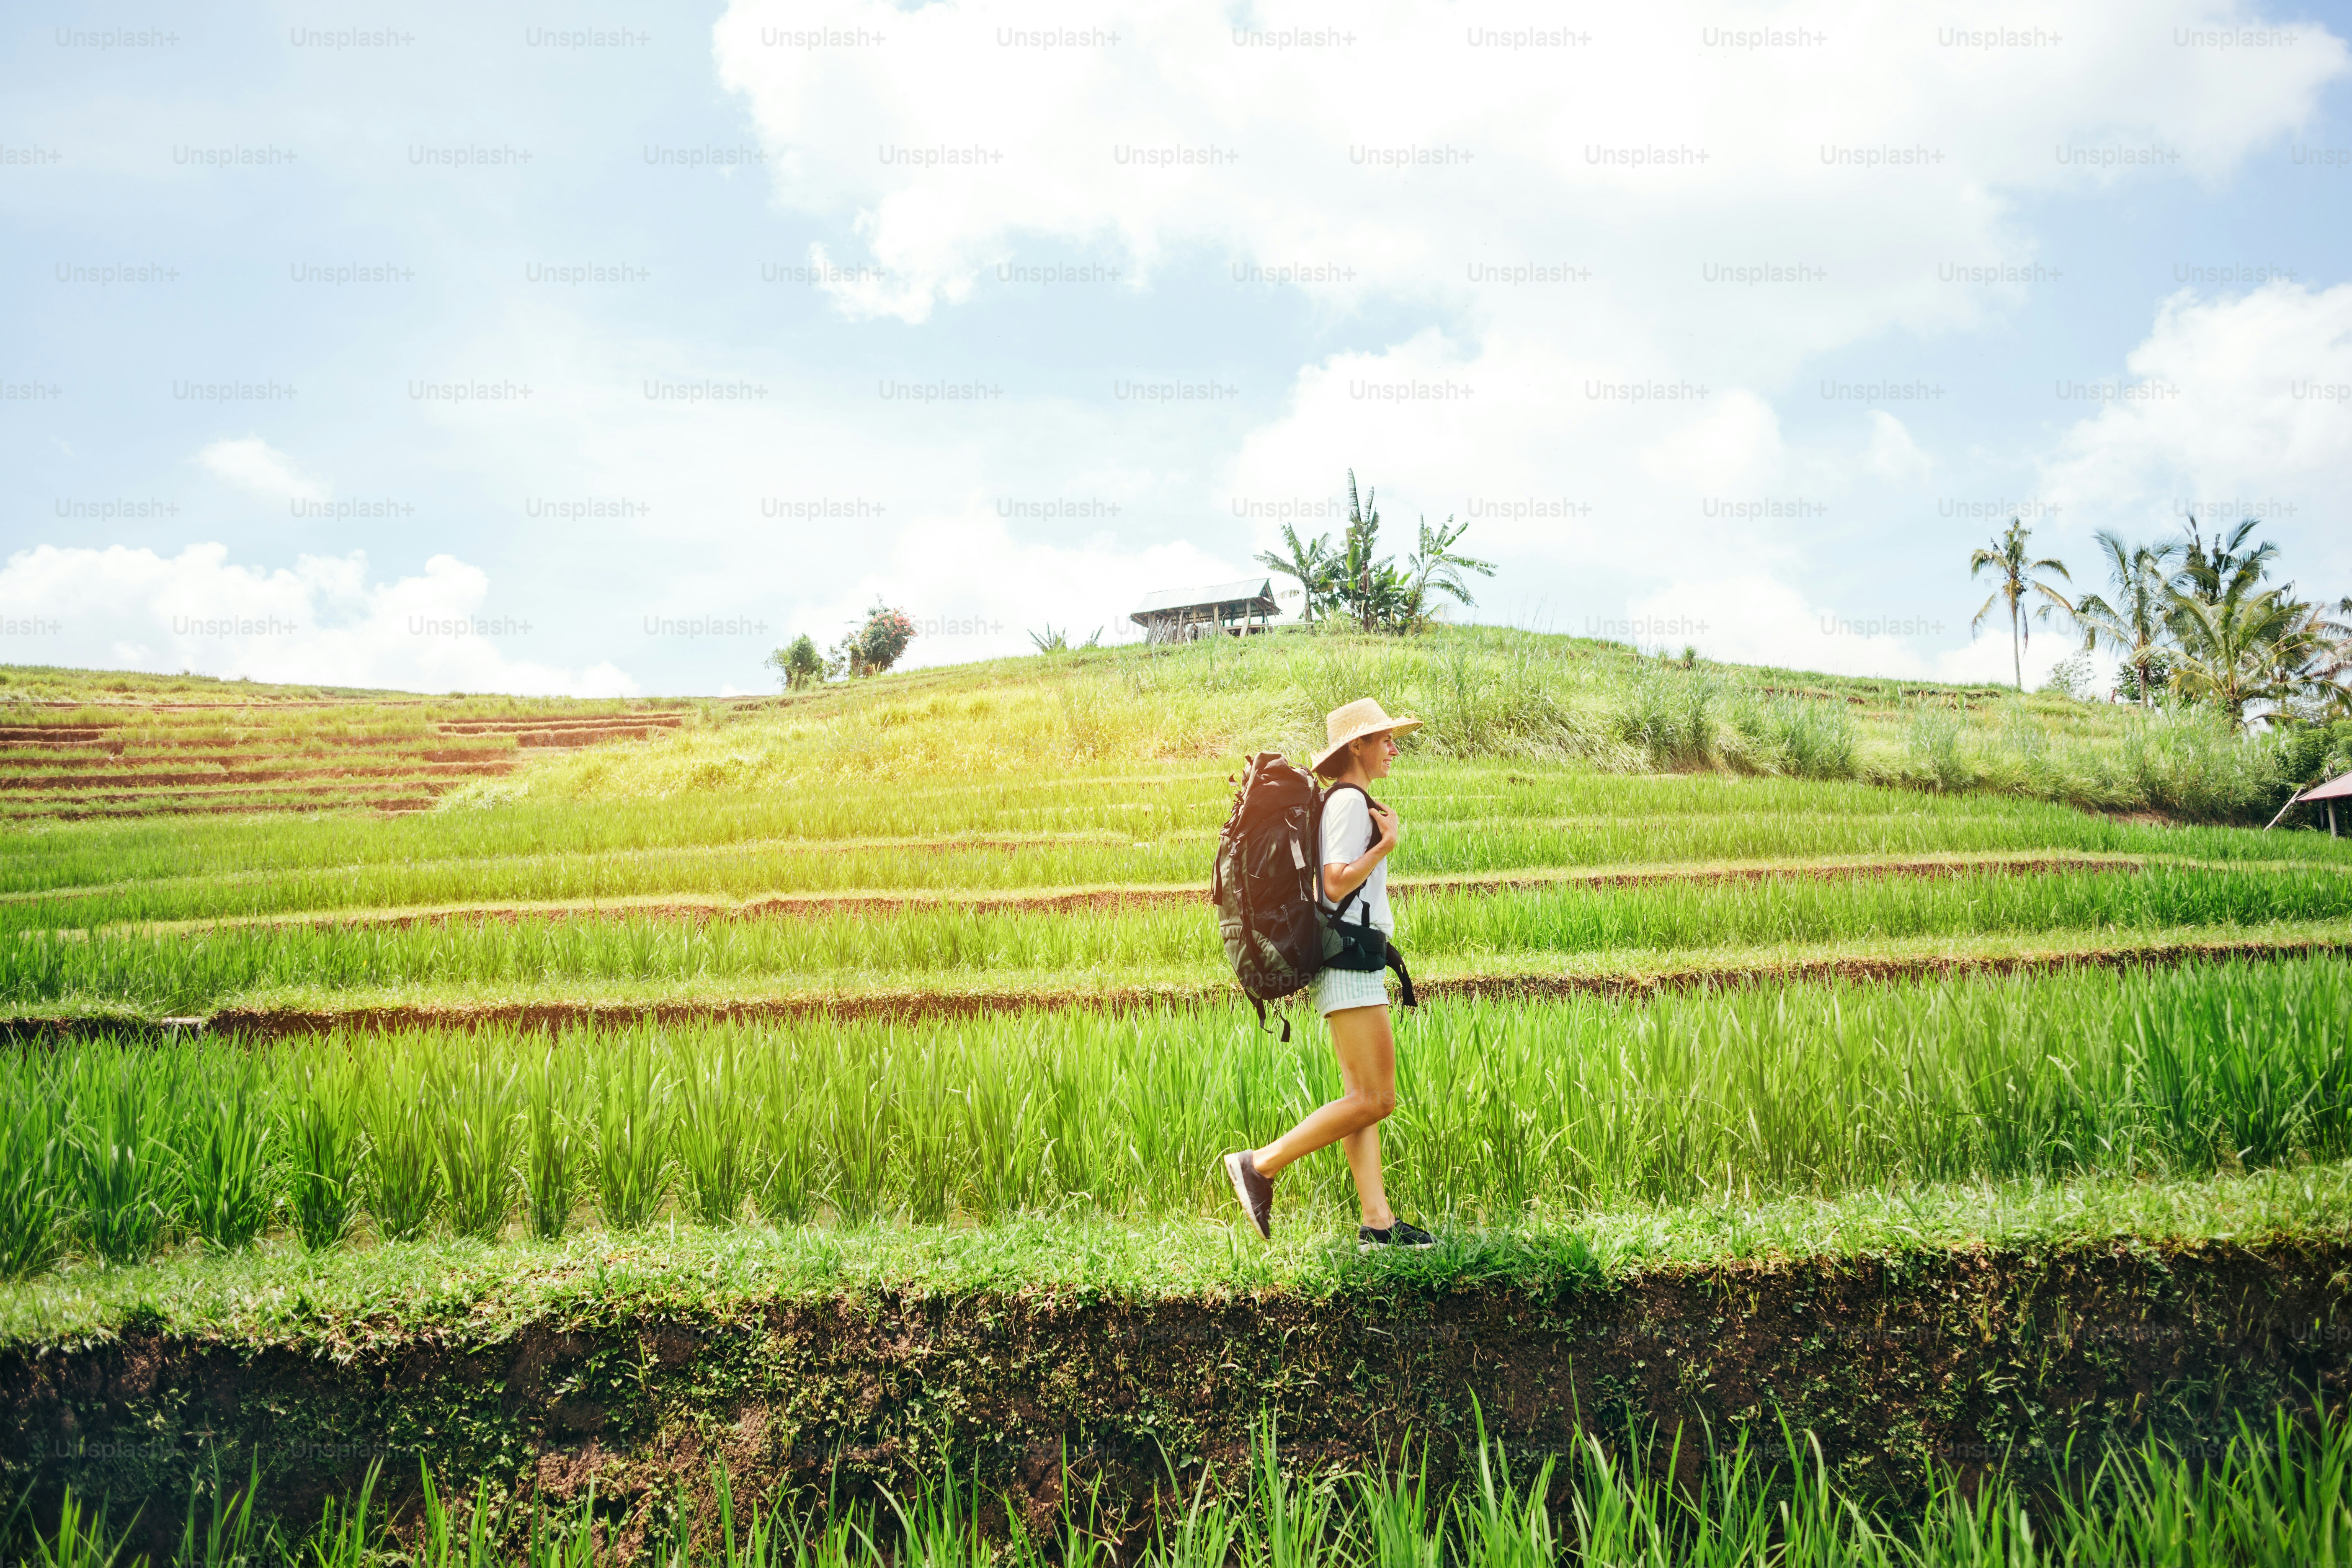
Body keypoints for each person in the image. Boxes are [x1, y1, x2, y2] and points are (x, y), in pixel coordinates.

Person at [1224, 698, 1436, 1250]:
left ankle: (1378, 1224)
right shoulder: (1347, 802)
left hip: (1353, 960)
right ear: (1357, 747)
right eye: (1384, 738)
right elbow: (1334, 884)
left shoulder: (1349, 800)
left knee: (1360, 1099)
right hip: (1349, 962)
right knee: (1378, 1099)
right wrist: (1387, 845)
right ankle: (1260, 1164)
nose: (1394, 747)